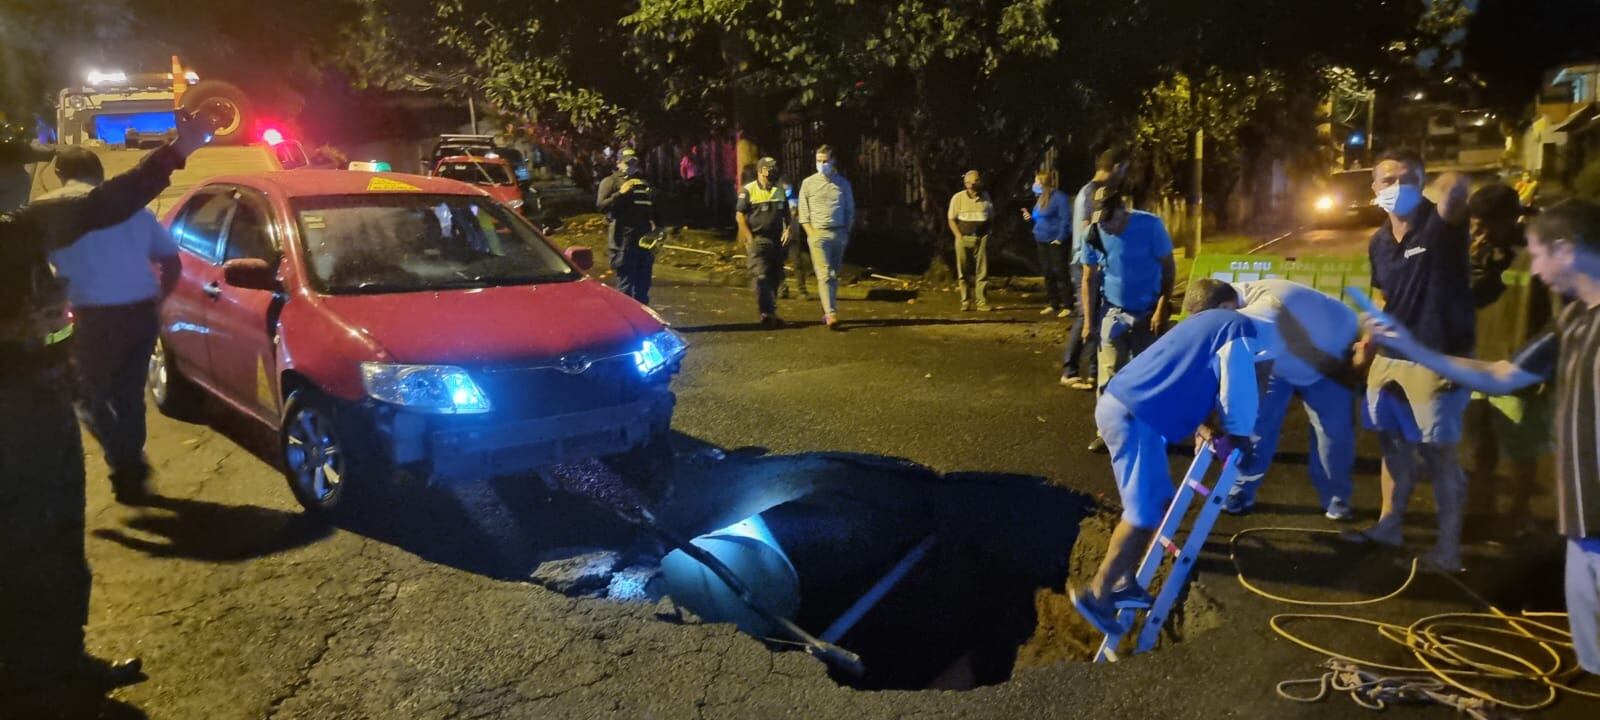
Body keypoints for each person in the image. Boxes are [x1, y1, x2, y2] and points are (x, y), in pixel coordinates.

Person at [0, 111, 209, 697]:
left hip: (39, 393)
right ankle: (42, 672)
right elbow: (106, 204)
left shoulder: (19, 230)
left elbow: (106, 205)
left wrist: (177, 150)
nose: (23, 177)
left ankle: (58, 660)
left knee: (56, 532)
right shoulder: (15, 232)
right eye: (14, 167)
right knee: (36, 536)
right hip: (18, 411)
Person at [1362, 198, 1600, 675]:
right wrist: (1413, 349)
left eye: (1538, 254)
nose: (1532, 266)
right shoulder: (1575, 319)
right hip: (1583, 525)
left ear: (1566, 249)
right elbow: (1500, 373)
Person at [1069, 303, 1271, 635]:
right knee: (1142, 514)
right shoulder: (1238, 329)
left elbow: (1197, 376)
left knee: (1161, 500)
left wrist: (1204, 424)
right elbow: (1236, 388)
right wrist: (1238, 435)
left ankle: (1123, 581)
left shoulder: (1213, 323)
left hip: (1137, 411)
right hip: (1132, 414)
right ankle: (1097, 595)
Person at [1345, 149, 1475, 573]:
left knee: (1439, 455)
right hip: (1390, 357)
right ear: (1373, 189)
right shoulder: (1379, 242)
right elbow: (1383, 296)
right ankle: (1389, 525)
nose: (1396, 188)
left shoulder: (1439, 227)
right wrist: (1367, 342)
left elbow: (1456, 187)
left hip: (1437, 356)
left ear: (1422, 184)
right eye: (1388, 181)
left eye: (1408, 179)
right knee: (1392, 445)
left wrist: (1435, 187)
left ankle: (1449, 550)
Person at [41, 148, 181, 503]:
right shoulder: (136, 211)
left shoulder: (50, 211)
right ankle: (128, 465)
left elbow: (39, 275)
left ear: (59, 173)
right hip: (140, 315)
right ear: (100, 173)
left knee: (87, 396)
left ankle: (125, 462)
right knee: (129, 396)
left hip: (90, 319)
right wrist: (158, 301)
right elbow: (171, 262)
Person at [1184, 278, 1362, 520]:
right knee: (1257, 427)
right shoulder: (1229, 304)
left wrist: (1224, 427)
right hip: (1281, 356)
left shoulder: (1263, 313)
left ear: (1226, 308)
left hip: (1331, 353)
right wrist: (1206, 422)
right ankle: (1239, 492)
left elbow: (1239, 381)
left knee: (1332, 434)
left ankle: (1337, 500)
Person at [1461, 183, 1553, 541]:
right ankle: (1480, 512)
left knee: (1520, 448)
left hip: (1520, 365)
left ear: (1512, 218)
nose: (1479, 231)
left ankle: (1518, 514)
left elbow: (1556, 314)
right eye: (1475, 223)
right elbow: (1459, 301)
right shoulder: (1474, 253)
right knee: (1479, 447)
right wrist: (1472, 260)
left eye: (1487, 224)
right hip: (1476, 363)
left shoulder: (1539, 252)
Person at [1080, 181, 1175, 451]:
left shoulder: (1151, 226)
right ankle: (1107, 432)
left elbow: (1168, 270)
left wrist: (1161, 308)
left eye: (1110, 219)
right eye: (1101, 219)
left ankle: (1152, 433)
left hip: (1148, 313)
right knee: (1108, 377)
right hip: (1113, 312)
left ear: (1123, 208)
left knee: (1148, 375)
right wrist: (1088, 321)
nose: (1106, 226)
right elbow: (1088, 278)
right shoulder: (1093, 232)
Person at [1061, 147, 1130, 393]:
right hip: (1087, 262)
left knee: (1095, 316)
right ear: (1116, 167)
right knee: (1086, 316)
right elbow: (1088, 228)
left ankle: (1092, 371)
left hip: (1085, 260)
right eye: (1124, 168)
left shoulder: (1086, 191)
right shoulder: (1095, 194)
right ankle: (1069, 369)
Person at [797, 144, 855, 331]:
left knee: (833, 274)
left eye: (825, 161)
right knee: (824, 274)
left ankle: (828, 309)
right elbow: (803, 213)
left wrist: (846, 232)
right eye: (818, 161)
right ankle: (831, 313)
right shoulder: (808, 183)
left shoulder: (843, 184)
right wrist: (811, 234)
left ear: (833, 161)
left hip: (838, 233)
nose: (822, 164)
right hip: (818, 233)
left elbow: (849, 210)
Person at [596, 148, 661, 304]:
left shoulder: (644, 183)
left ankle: (644, 324)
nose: (631, 166)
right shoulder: (611, 181)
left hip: (643, 242)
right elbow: (601, 206)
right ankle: (625, 324)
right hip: (622, 243)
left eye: (633, 162)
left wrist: (659, 229)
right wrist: (621, 193)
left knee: (643, 288)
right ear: (618, 163)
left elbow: (653, 211)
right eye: (627, 162)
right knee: (625, 287)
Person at [737, 157, 793, 327]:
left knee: (775, 277)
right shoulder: (748, 190)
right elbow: (740, 215)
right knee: (762, 276)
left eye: (775, 168)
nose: (773, 172)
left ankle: (771, 311)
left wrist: (788, 229)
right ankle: (766, 313)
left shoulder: (779, 191)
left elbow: (786, 214)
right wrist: (749, 238)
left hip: (776, 240)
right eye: (769, 169)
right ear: (760, 171)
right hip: (758, 239)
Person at [1022, 170, 1070, 320]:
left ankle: (1068, 304)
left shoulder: (1059, 198)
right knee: (1047, 272)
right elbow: (1039, 219)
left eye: (1037, 182)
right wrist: (1030, 218)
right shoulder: (1040, 199)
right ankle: (1053, 302)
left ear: (1043, 183)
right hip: (1041, 239)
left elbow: (1065, 219)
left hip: (1055, 240)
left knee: (1060, 272)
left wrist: (1061, 237)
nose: (1034, 185)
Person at [948, 170, 996, 312]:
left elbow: (991, 216)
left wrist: (989, 233)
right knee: (963, 270)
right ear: (965, 183)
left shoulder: (986, 197)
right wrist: (958, 236)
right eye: (969, 182)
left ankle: (981, 301)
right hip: (963, 237)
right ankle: (965, 301)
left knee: (982, 271)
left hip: (981, 238)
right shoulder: (957, 198)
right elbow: (951, 219)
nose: (972, 185)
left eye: (975, 182)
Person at [782, 180, 812, 300]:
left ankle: (802, 289)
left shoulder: (794, 199)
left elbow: (797, 215)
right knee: (778, 262)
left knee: (797, 261)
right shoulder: (778, 199)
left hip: (793, 234)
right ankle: (782, 288)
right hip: (782, 233)